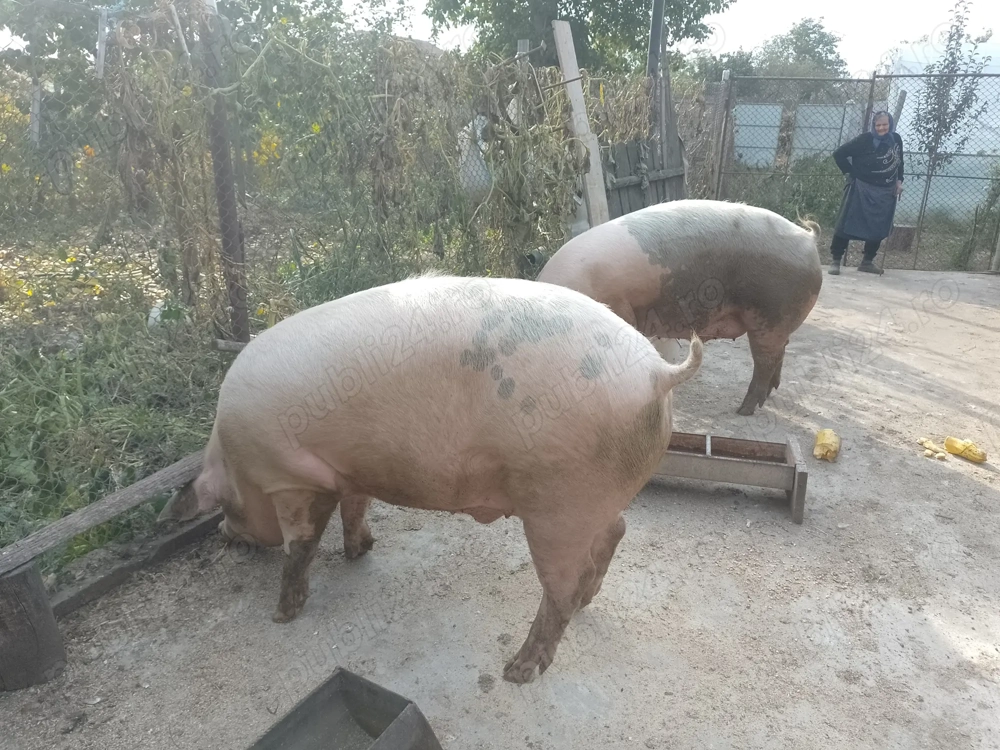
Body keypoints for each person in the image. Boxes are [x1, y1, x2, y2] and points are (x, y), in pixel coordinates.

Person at [827, 110, 905, 275]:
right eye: (878, 125)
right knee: (846, 224)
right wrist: (850, 173)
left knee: (878, 227)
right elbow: (839, 154)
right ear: (873, 126)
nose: (881, 128)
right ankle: (835, 261)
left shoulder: (896, 139)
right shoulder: (864, 140)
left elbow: (900, 162)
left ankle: (867, 261)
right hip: (861, 188)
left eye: (885, 125)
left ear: (890, 124)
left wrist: (899, 181)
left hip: (886, 192)